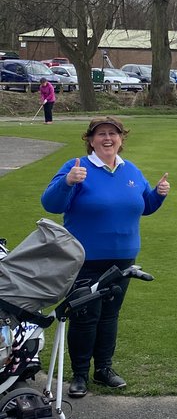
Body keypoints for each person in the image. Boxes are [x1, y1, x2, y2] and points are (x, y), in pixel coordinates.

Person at [40, 116, 170, 397]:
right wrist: (68, 182)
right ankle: (79, 375)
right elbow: (51, 203)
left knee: (110, 315)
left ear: (121, 139)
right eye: (101, 134)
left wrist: (158, 195)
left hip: (122, 259)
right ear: (90, 139)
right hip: (85, 258)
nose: (107, 138)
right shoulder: (77, 167)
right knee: (85, 316)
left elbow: (144, 206)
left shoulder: (130, 169)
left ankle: (103, 370)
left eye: (113, 133)